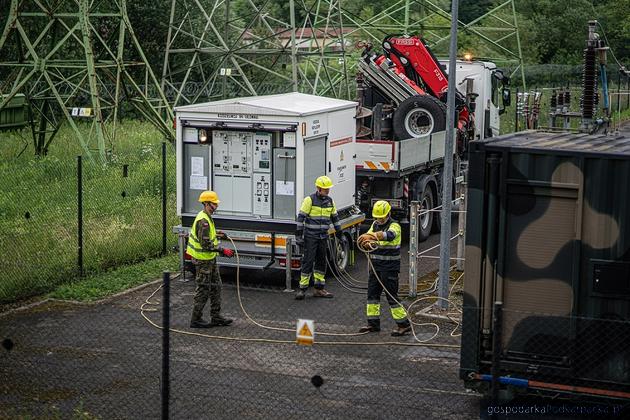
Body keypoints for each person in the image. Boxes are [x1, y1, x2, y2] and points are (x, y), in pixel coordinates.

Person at [359, 200, 411, 336]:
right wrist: (366, 242)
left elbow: (390, 235)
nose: (379, 220)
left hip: (389, 268)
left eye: (381, 217)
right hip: (375, 267)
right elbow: (367, 239)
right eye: (377, 217)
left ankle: (404, 324)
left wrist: (373, 236)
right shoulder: (375, 224)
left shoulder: (395, 226)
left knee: (391, 296)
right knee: (372, 295)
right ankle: (373, 324)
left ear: (388, 214)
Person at [187, 190, 235, 328]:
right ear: (207, 204)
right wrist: (223, 251)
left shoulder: (207, 217)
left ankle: (216, 317)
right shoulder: (203, 221)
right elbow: (206, 244)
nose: (216, 205)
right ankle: (195, 319)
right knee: (203, 289)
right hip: (203, 261)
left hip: (210, 260)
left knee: (216, 287)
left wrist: (218, 234)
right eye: (214, 203)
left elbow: (209, 236)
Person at [295, 175, 344, 300]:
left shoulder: (330, 201)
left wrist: (339, 232)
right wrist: (299, 235)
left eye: (328, 189)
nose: (327, 191)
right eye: (325, 189)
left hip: (323, 237)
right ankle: (302, 289)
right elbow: (301, 218)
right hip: (311, 237)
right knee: (308, 261)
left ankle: (319, 288)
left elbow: (335, 218)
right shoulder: (309, 200)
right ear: (318, 188)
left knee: (321, 262)